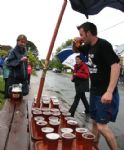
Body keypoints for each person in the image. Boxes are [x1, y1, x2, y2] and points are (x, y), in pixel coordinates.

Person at [73, 22, 120, 150]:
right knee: (94, 122)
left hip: (105, 92)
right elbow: (76, 50)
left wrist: (110, 91)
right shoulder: (88, 47)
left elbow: (116, 66)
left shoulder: (103, 45)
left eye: (82, 34)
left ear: (88, 33)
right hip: (94, 91)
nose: (81, 37)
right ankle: (94, 145)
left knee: (101, 126)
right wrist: (75, 42)